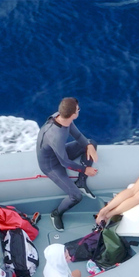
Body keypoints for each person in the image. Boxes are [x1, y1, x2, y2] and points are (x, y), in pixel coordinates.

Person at [37, 97, 100, 232]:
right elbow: (64, 162)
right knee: (76, 196)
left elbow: (77, 136)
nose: (79, 111)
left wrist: (88, 146)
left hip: (60, 153)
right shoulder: (56, 136)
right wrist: (85, 169)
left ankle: (81, 182)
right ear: (73, 114)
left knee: (91, 143)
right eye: (78, 109)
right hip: (51, 165)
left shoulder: (62, 118)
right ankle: (56, 214)